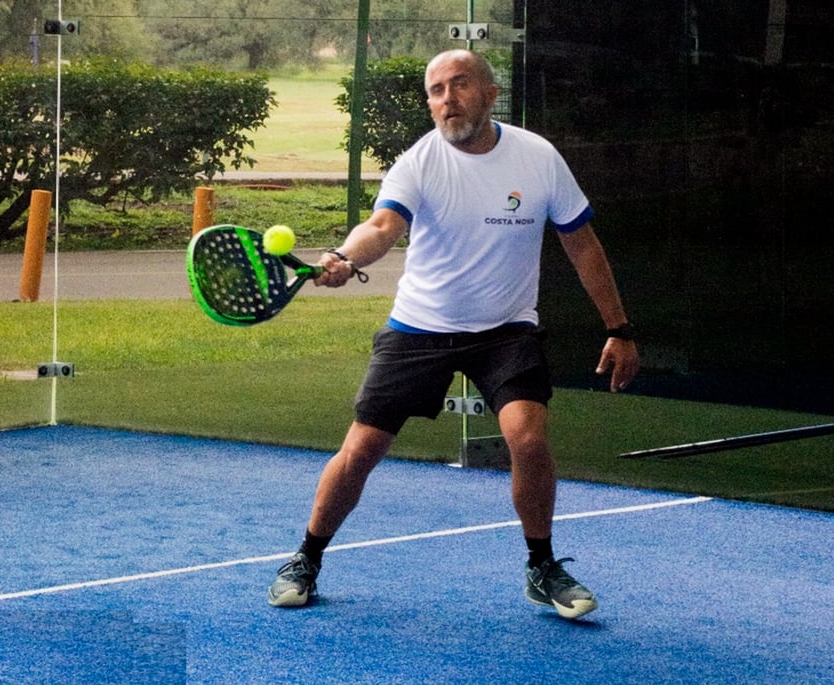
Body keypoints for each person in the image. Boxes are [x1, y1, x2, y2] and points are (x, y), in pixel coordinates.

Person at [267, 49, 639, 620]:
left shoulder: (537, 158)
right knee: (362, 448)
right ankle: (306, 557)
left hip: (506, 329)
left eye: (459, 85)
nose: (447, 100)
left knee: (528, 438)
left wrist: (619, 328)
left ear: (490, 94)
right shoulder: (418, 162)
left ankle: (542, 567)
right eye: (436, 91)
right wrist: (342, 256)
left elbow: (581, 242)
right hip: (420, 325)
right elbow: (383, 226)